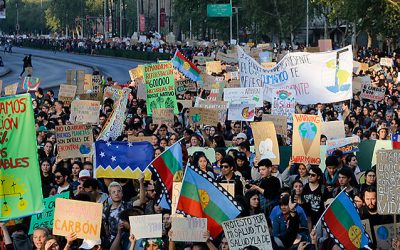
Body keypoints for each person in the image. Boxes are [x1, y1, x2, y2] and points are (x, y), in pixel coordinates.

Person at [102, 182, 133, 246]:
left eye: (118, 191)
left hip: (129, 240)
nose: (116, 194)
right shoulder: (105, 210)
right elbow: (107, 231)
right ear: (109, 195)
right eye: (113, 192)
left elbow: (142, 200)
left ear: (122, 194)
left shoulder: (128, 205)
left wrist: (141, 182)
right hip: (113, 242)